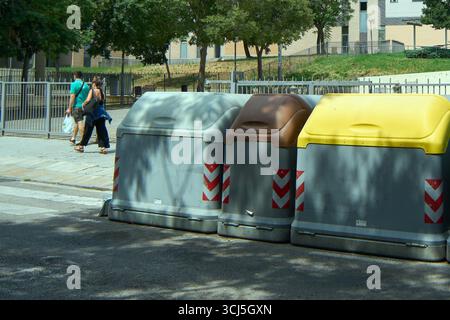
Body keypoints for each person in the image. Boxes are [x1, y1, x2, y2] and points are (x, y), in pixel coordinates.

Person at [74, 79, 112, 154]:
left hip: (92, 114)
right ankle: (103, 148)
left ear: (94, 84)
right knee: (101, 130)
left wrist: (83, 104)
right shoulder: (102, 92)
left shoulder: (92, 90)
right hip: (101, 114)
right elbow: (101, 101)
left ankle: (81, 146)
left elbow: (88, 100)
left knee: (87, 130)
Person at [66, 71, 90, 145]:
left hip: (77, 106)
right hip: (84, 106)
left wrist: (69, 108)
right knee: (77, 121)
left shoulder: (74, 84)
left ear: (74, 76)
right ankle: (73, 138)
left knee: (79, 123)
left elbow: (72, 96)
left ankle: (83, 141)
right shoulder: (86, 85)